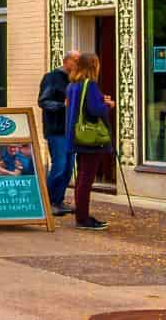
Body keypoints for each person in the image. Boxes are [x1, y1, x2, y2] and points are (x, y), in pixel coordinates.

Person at [64, 51, 116, 230]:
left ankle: (82, 215)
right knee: (87, 178)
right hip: (90, 138)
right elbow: (94, 110)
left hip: (77, 136)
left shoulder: (73, 85)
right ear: (93, 66)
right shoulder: (90, 85)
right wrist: (107, 105)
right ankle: (83, 218)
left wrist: (100, 100)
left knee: (81, 178)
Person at [39, 51, 77, 215]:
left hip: (70, 130)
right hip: (56, 129)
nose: (78, 64)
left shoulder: (75, 79)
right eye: (76, 60)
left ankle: (58, 200)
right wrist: (63, 105)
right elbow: (43, 101)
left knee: (68, 168)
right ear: (67, 61)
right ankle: (47, 202)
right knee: (60, 166)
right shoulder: (51, 78)